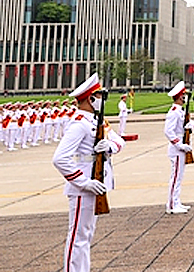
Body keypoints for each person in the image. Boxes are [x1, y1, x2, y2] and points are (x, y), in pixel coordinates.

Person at [52, 73, 124, 272]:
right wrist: (83, 182)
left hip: (98, 181)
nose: (101, 100)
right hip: (84, 185)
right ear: (90, 99)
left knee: (86, 235)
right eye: (99, 96)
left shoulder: (96, 121)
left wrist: (108, 146)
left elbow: (120, 142)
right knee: (78, 237)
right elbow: (60, 158)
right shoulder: (79, 124)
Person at [163, 81, 194, 214]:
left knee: (179, 177)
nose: (185, 97)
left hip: (182, 146)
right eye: (184, 95)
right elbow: (168, 131)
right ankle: (171, 205)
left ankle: (176, 201)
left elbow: (184, 125)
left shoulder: (180, 111)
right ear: (180, 96)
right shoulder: (174, 112)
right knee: (175, 177)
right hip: (177, 149)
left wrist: (190, 125)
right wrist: (179, 144)